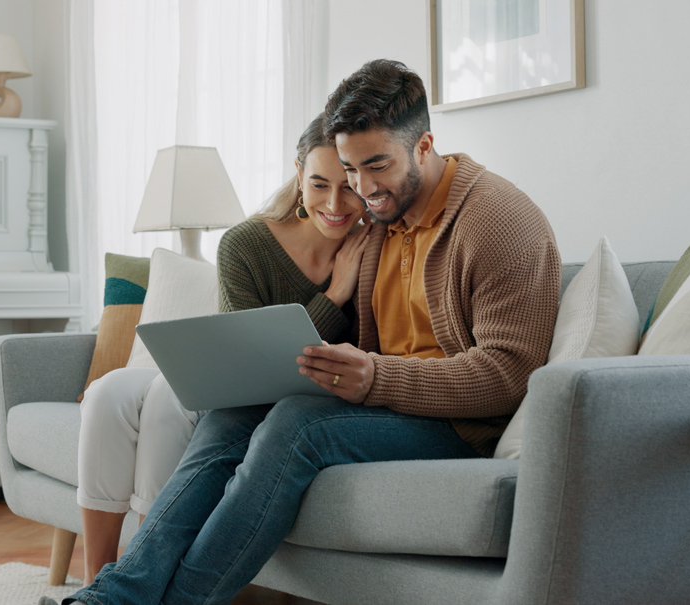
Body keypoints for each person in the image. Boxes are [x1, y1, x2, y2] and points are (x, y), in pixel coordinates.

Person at [60, 59, 561, 605]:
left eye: (377, 166)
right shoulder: (381, 220)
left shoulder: (499, 221)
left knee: (299, 423)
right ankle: (108, 598)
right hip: (388, 406)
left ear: (424, 146)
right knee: (236, 413)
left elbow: (510, 376)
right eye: (350, 170)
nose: (363, 189)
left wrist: (375, 376)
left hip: (461, 425)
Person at [72, 114, 370, 585]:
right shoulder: (247, 243)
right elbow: (245, 363)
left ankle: (144, 578)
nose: (335, 203)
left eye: (348, 186)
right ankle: (98, 579)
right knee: (108, 393)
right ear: (298, 176)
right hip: (231, 380)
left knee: (169, 403)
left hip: (272, 398)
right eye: (318, 184)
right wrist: (333, 297)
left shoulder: (372, 248)